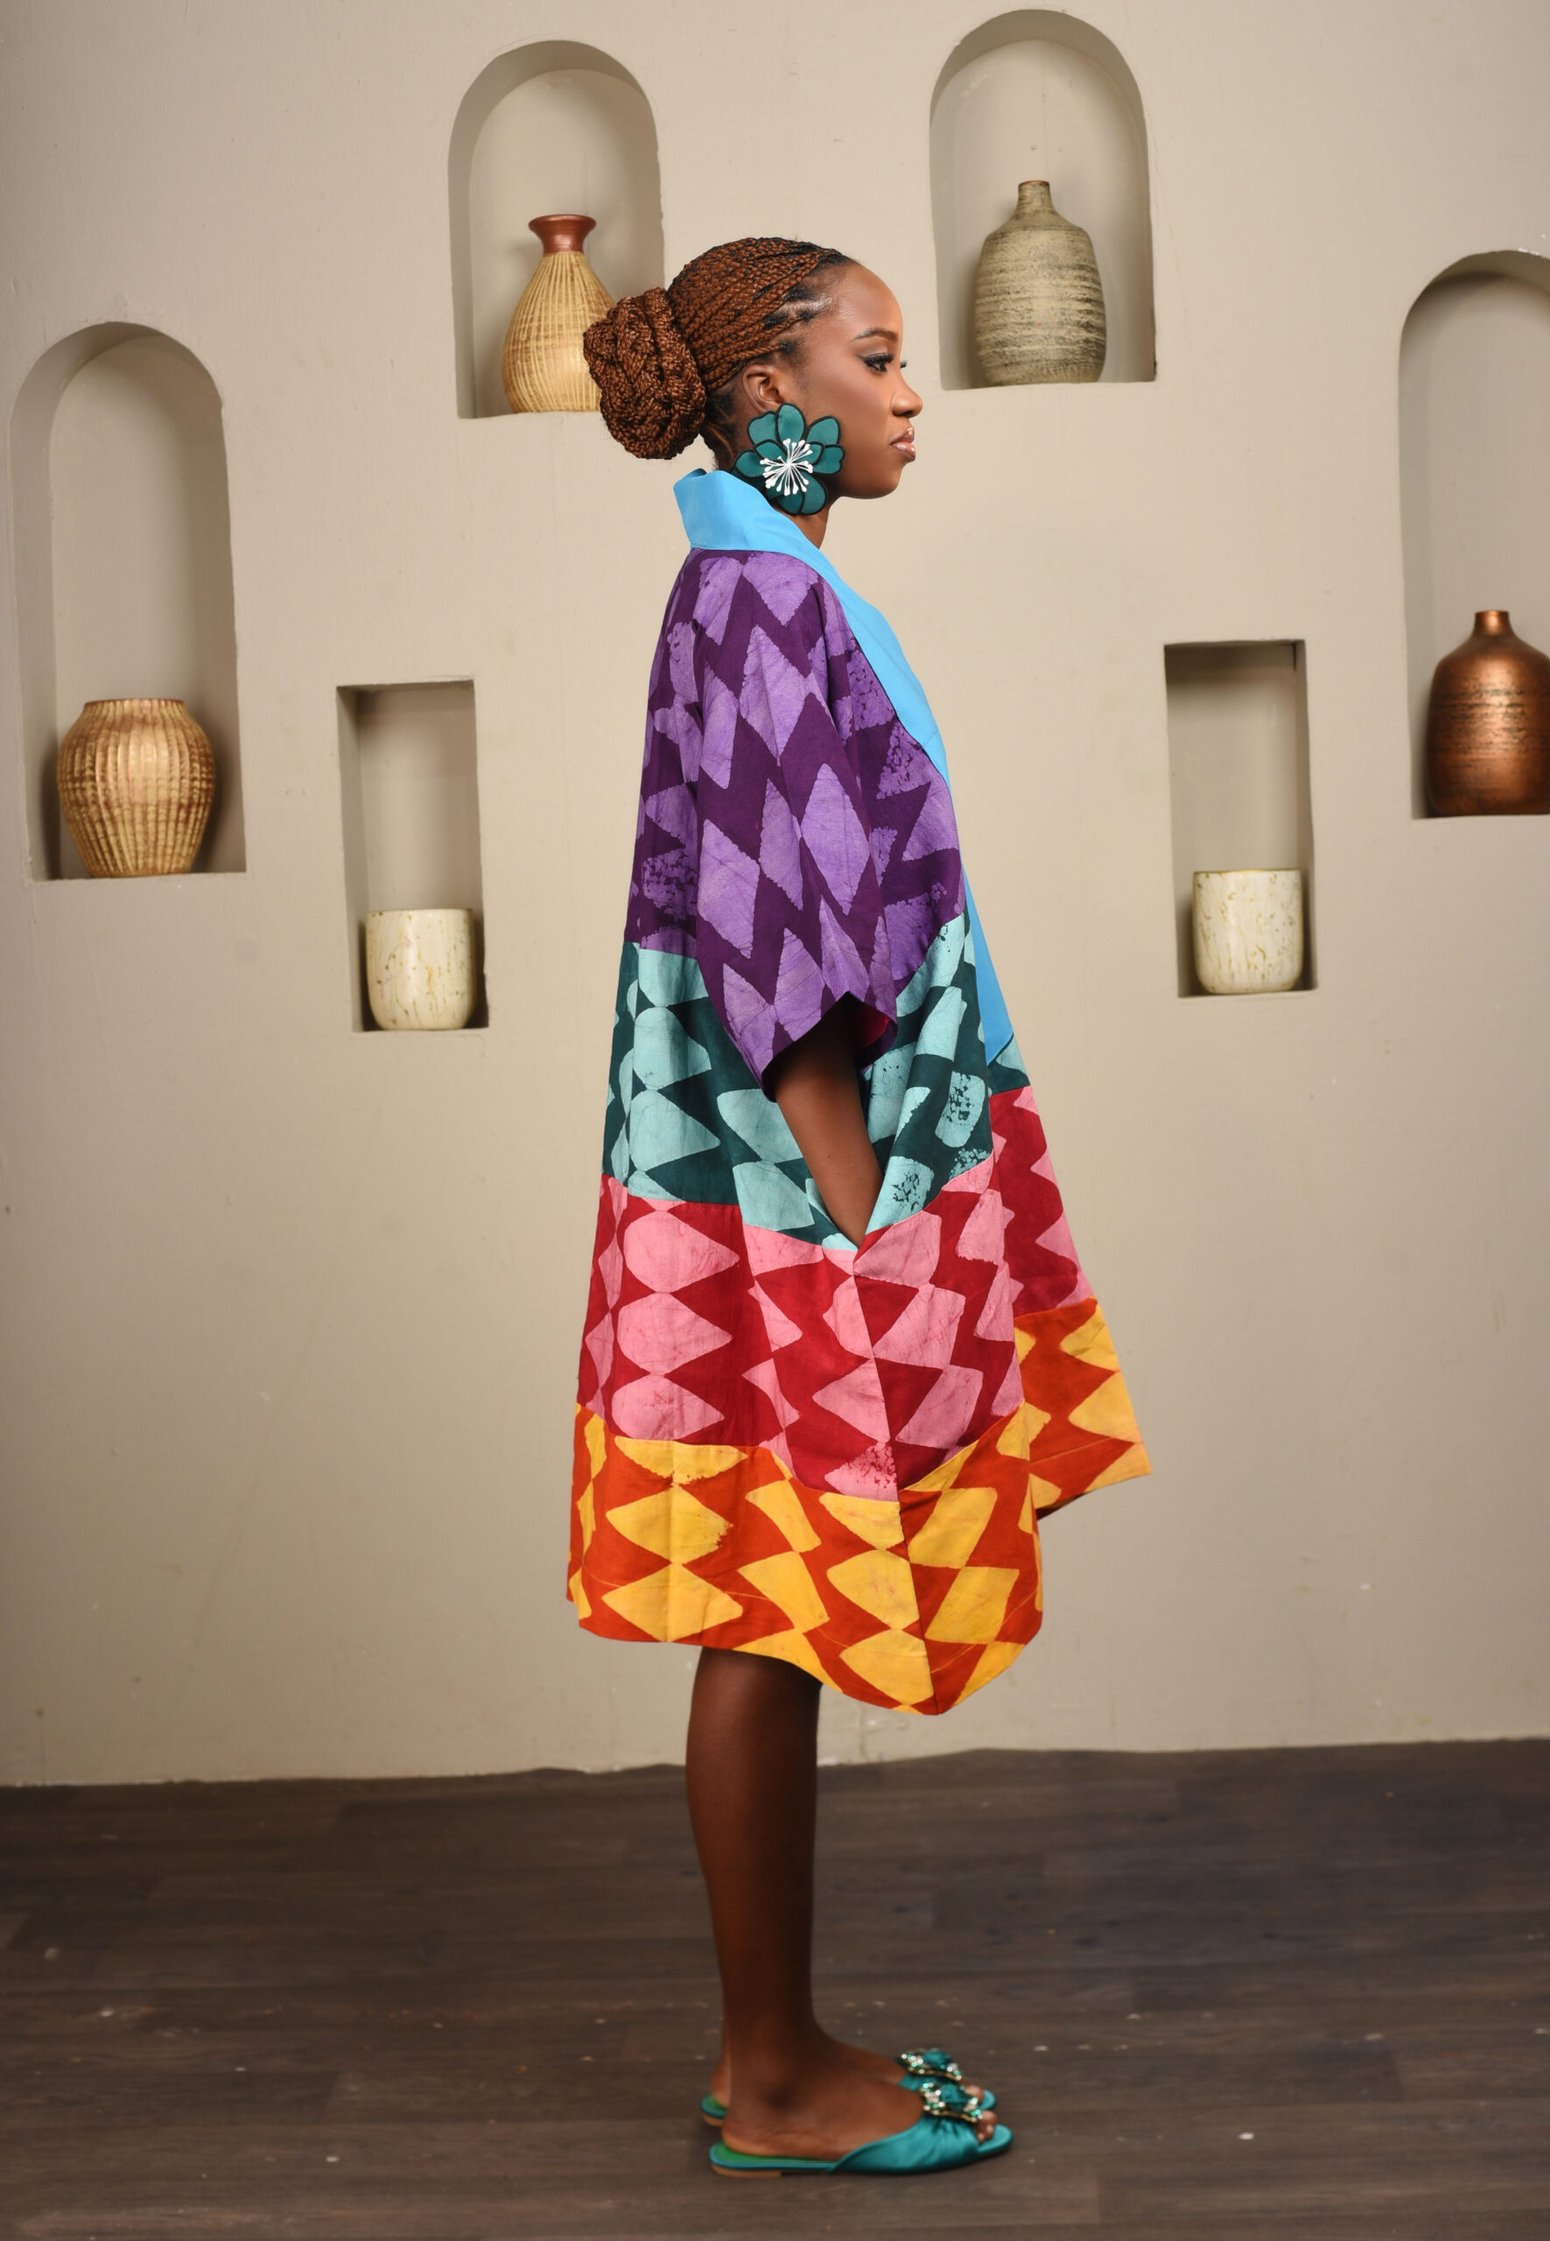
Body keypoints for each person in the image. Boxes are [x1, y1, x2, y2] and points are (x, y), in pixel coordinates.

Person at [572, 237, 1153, 2179]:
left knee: (770, 1598)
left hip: (784, 1167)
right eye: (877, 357)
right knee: (762, 1597)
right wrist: (869, 1235)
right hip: (790, 1183)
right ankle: (769, 2077)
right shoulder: (753, 597)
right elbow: (781, 959)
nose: (910, 394)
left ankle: (778, 2048)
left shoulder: (777, 583)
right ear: (770, 392)